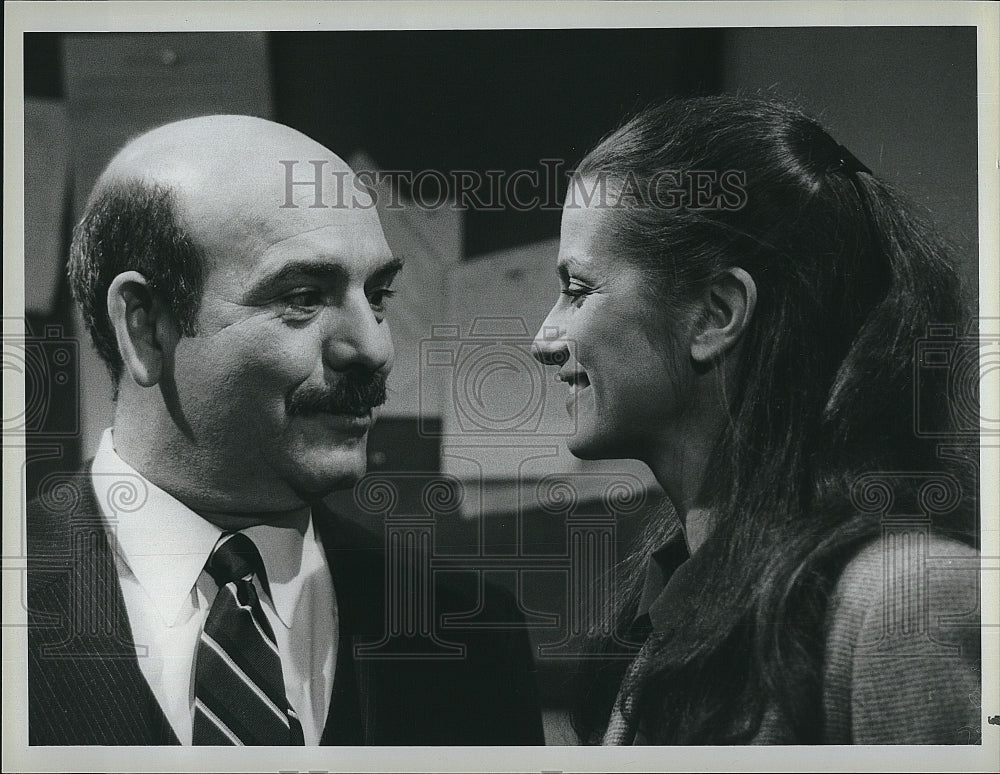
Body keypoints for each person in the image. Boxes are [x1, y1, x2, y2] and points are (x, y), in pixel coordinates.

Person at [27, 115, 543, 746]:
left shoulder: (468, 633)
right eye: (304, 296)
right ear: (146, 326)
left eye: (377, 296)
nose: (374, 346)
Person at [531, 95, 980, 745]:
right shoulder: (676, 590)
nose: (544, 338)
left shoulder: (905, 602)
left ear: (716, 314)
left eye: (576, 289)